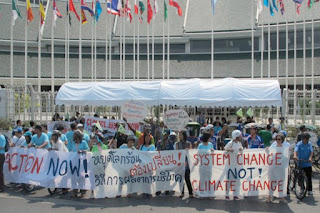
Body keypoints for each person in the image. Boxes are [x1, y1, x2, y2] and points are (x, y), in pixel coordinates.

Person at [265, 133, 288, 203]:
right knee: (272, 182)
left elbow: (286, 157)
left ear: (282, 140)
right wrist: (267, 149)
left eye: (279, 139)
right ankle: (269, 196)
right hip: (273, 167)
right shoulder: (273, 146)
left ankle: (281, 197)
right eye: (276, 139)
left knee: (281, 182)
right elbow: (269, 153)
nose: (277, 141)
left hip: (281, 168)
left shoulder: (285, 147)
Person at [224, 130, 243, 201]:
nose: (241, 137)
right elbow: (224, 151)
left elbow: (241, 152)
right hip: (229, 165)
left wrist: (241, 150)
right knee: (229, 180)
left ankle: (235, 195)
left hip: (237, 165)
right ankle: (227, 195)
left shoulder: (239, 143)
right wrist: (229, 150)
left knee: (236, 181)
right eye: (240, 136)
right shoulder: (230, 143)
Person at [70, 130, 89, 198]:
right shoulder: (73, 143)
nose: (73, 136)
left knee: (81, 176)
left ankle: (83, 191)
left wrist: (82, 151)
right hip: (74, 162)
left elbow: (87, 150)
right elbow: (71, 150)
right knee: (74, 176)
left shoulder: (83, 142)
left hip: (81, 162)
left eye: (75, 134)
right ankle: (74, 191)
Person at [176, 130, 194, 198]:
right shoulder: (177, 144)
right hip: (180, 163)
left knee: (187, 178)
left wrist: (188, 150)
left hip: (187, 164)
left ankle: (190, 193)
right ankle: (182, 192)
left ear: (184, 135)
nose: (180, 136)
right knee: (181, 179)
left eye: (181, 135)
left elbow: (191, 152)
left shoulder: (189, 143)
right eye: (179, 135)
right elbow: (177, 153)